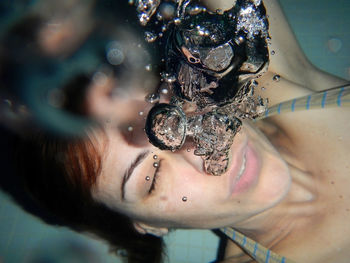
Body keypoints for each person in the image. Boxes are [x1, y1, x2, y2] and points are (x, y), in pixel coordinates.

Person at [4, 0, 350, 262]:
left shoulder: (267, 74)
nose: (195, 147)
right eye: (151, 176)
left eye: (170, 106)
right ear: (149, 226)